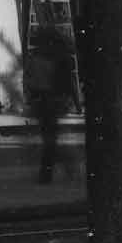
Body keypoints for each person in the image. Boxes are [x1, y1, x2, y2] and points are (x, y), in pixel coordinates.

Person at [24, 25, 76, 184]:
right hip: (51, 100)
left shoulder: (38, 59)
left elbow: (31, 80)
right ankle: (64, 166)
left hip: (46, 100)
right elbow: (68, 82)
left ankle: (48, 173)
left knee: (49, 139)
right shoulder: (59, 59)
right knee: (51, 137)